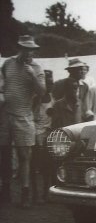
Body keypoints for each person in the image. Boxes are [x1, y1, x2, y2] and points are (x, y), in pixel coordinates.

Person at [0, 35, 46, 207]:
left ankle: (25, 194)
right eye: (25, 48)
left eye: (31, 49)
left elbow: (42, 93)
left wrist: (33, 76)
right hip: (5, 115)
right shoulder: (8, 64)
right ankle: (5, 191)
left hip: (24, 117)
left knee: (24, 155)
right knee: (4, 154)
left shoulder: (36, 68)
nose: (28, 52)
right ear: (19, 48)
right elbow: (3, 83)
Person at [31, 70, 54, 203]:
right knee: (34, 166)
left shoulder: (52, 97)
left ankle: (46, 194)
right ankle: (35, 194)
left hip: (48, 135)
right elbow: (32, 116)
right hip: (36, 134)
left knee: (47, 167)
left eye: (51, 82)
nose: (50, 85)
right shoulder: (36, 98)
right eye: (47, 82)